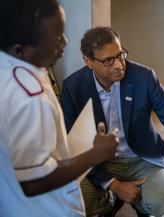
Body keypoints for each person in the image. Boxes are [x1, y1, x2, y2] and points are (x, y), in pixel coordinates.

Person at [60, 27, 164, 217]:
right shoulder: (72, 88)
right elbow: (75, 148)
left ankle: (141, 206)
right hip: (99, 162)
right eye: (108, 61)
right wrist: (113, 185)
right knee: (71, 204)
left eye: (120, 55)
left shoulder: (144, 78)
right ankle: (111, 200)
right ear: (88, 62)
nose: (119, 65)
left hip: (144, 159)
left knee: (160, 204)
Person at [0, 0, 119, 216]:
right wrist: (96, 154)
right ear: (21, 50)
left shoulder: (8, 66)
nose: (65, 42)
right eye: (56, 39)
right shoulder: (30, 98)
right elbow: (34, 182)